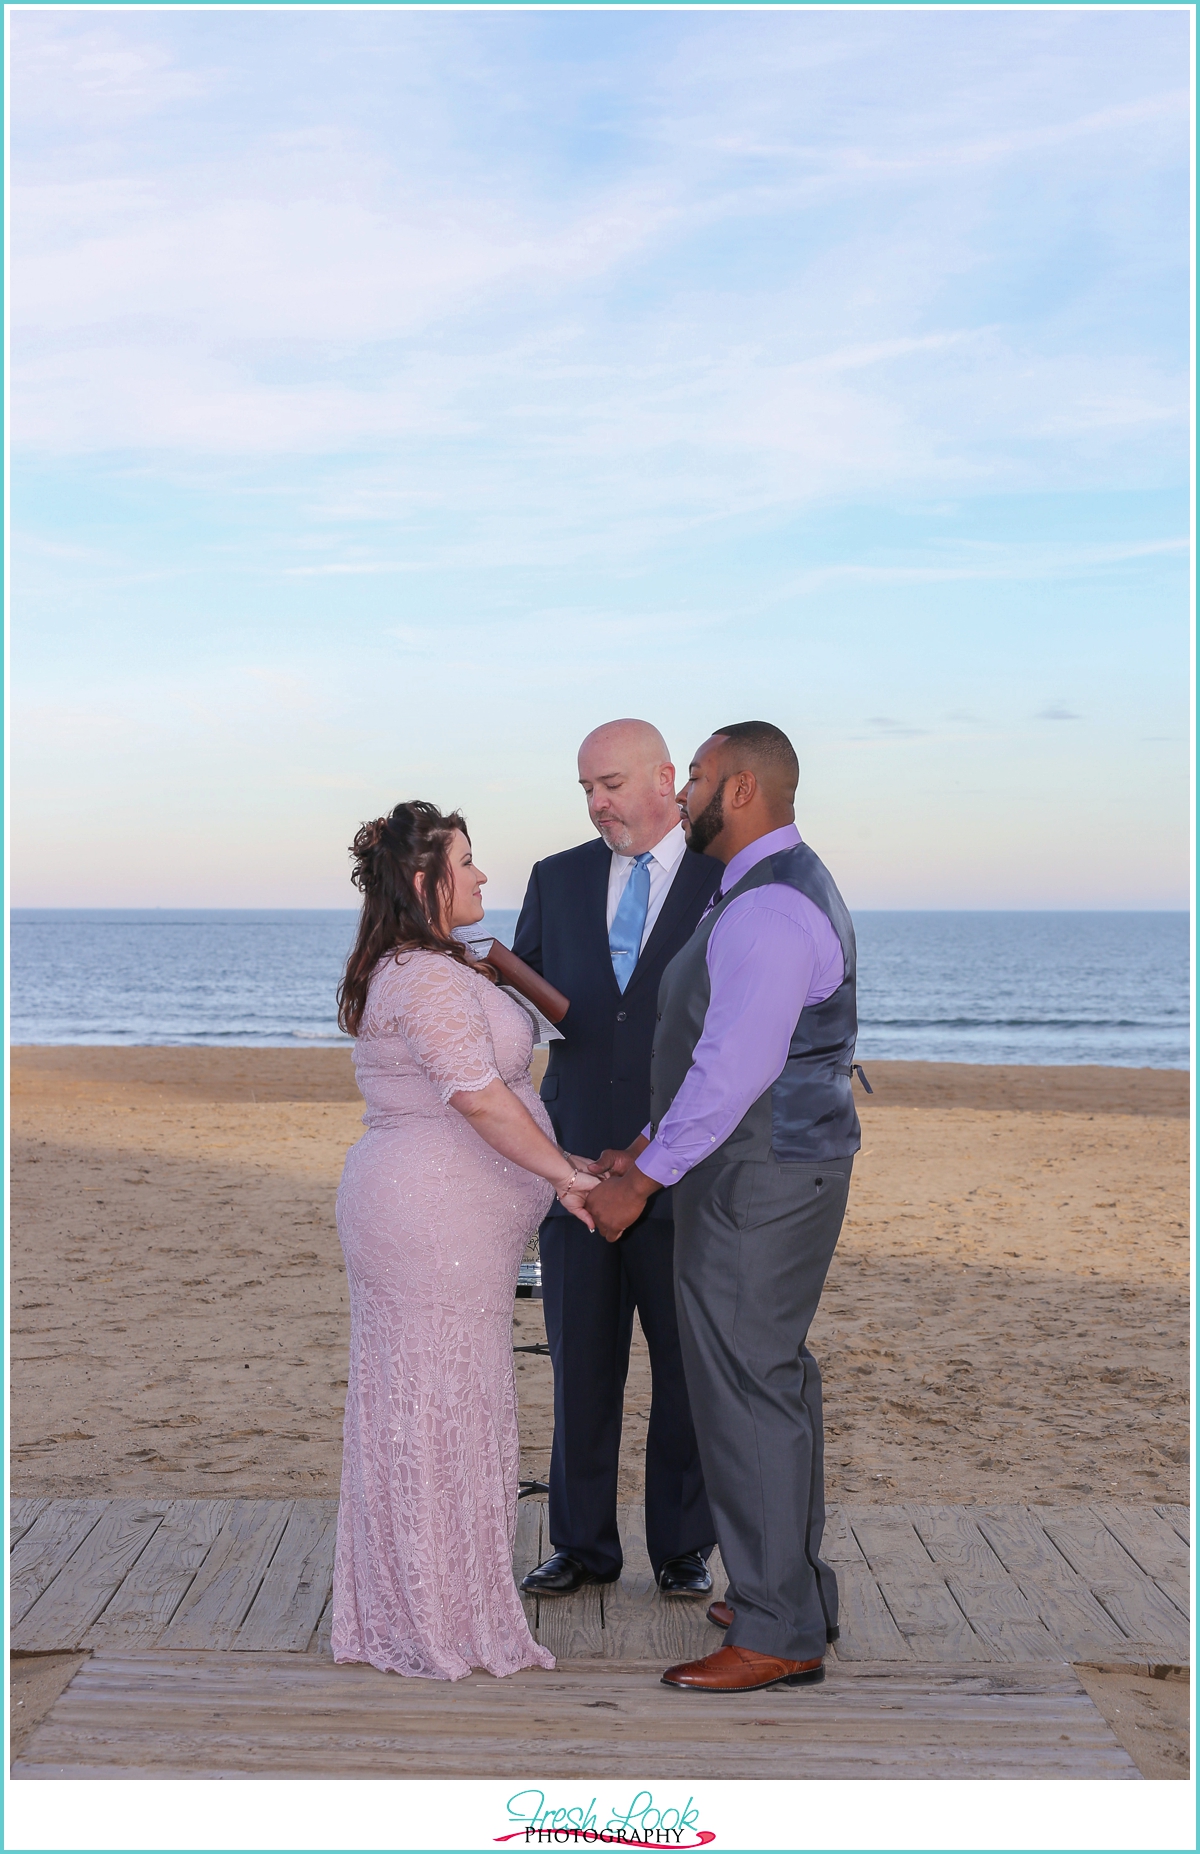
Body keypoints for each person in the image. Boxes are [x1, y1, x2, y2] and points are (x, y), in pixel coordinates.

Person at [585, 722, 863, 1693]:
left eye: (696, 777)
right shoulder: (771, 888)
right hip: (767, 1167)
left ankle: (780, 1629)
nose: (687, 793)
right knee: (773, 1385)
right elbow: (725, 1055)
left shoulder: (767, 910)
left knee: (745, 1393)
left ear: (740, 790)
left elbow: (733, 1068)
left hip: (762, 1181)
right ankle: (792, 1595)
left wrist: (638, 1181)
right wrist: (652, 1148)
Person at [330, 801, 597, 1681]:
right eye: (469, 861)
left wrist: (565, 1158)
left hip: (438, 1213)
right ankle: (432, 1617)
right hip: (429, 1219)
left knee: (435, 1405)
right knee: (434, 1406)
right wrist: (563, 1177)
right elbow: (479, 1097)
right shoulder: (430, 979)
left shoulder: (422, 968)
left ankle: (420, 1604)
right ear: (424, 880)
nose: (484, 877)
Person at [513, 720, 722, 1598]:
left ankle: (682, 1550)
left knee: (685, 1371)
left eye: (610, 784)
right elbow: (518, 1013)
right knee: (581, 1366)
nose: (598, 804)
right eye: (586, 791)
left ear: (667, 778)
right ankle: (581, 1545)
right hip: (574, 1175)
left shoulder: (726, 878)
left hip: (690, 1169)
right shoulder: (554, 879)